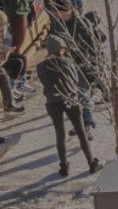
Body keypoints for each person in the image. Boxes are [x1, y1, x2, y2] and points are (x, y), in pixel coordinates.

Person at [35, 37, 100, 176]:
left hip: (52, 102)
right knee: (81, 132)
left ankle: (64, 166)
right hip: (71, 100)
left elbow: (43, 81)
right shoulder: (67, 62)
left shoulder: (40, 66)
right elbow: (75, 80)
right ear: (60, 49)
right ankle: (90, 162)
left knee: (60, 135)